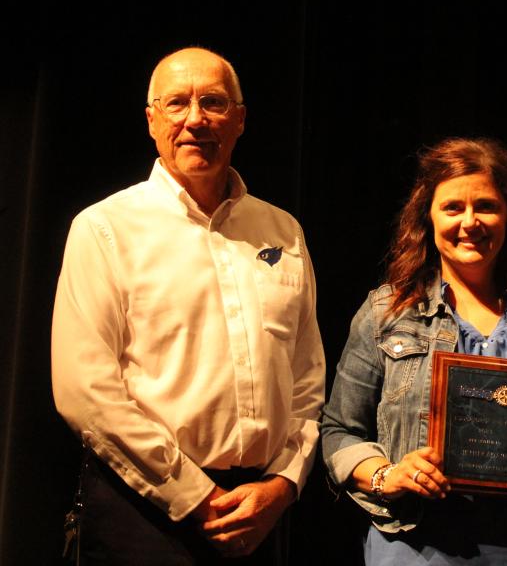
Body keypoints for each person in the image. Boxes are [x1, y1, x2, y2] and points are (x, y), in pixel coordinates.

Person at [51, 47, 326, 564]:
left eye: (214, 102)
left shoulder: (282, 231)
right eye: (177, 103)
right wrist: (193, 496)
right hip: (143, 512)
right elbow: (85, 391)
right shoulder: (105, 228)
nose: (195, 119)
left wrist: (285, 483)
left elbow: (307, 379)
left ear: (240, 120)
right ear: (152, 120)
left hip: (257, 515)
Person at [322, 137, 507, 565]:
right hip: (418, 549)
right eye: (453, 208)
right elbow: (338, 432)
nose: (470, 221)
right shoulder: (386, 312)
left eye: (486, 206)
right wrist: (388, 474)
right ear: (428, 216)